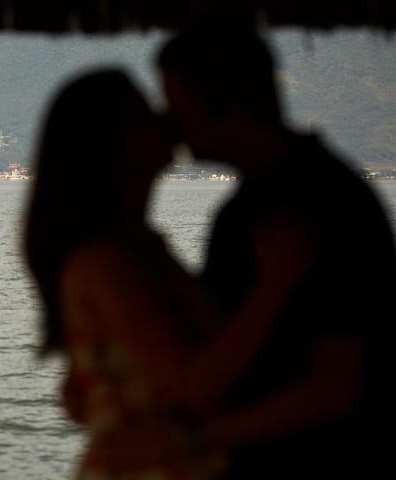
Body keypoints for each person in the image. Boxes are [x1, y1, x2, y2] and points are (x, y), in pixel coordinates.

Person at [24, 69, 308, 479]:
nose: (164, 121)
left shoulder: (139, 249)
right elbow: (191, 386)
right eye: (145, 115)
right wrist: (277, 283)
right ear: (114, 145)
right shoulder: (108, 262)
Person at [153, 22, 396, 478]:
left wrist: (191, 439)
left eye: (177, 105)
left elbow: (335, 387)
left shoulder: (323, 205)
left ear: (228, 102)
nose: (169, 121)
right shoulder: (251, 209)